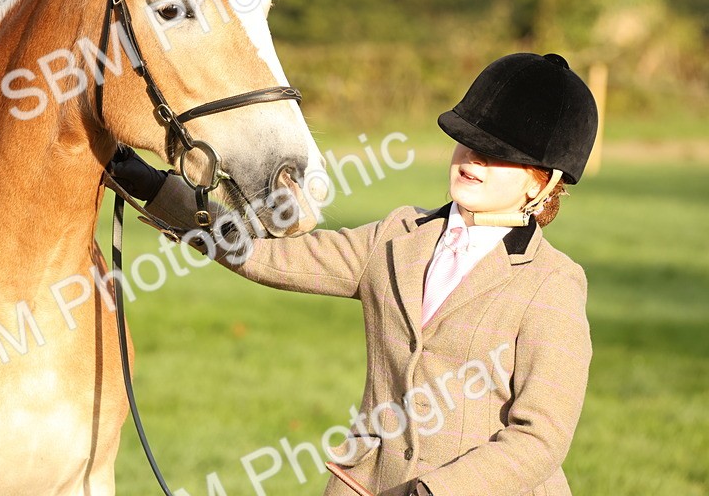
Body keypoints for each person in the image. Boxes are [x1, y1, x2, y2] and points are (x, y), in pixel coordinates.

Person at [107, 52, 598, 496]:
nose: (474, 159)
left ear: (544, 181)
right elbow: (265, 254)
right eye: (469, 143)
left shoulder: (551, 284)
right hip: (366, 484)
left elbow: (540, 437)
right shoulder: (396, 236)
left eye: (501, 155)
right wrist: (152, 187)